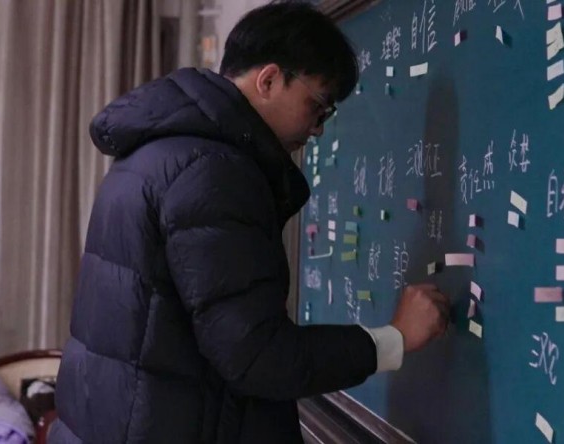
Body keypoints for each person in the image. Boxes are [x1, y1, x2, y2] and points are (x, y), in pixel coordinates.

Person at [51, 2, 450, 443]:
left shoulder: (158, 151)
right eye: (317, 106)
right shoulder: (214, 172)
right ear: (269, 80)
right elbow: (258, 356)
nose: (318, 129)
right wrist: (394, 338)